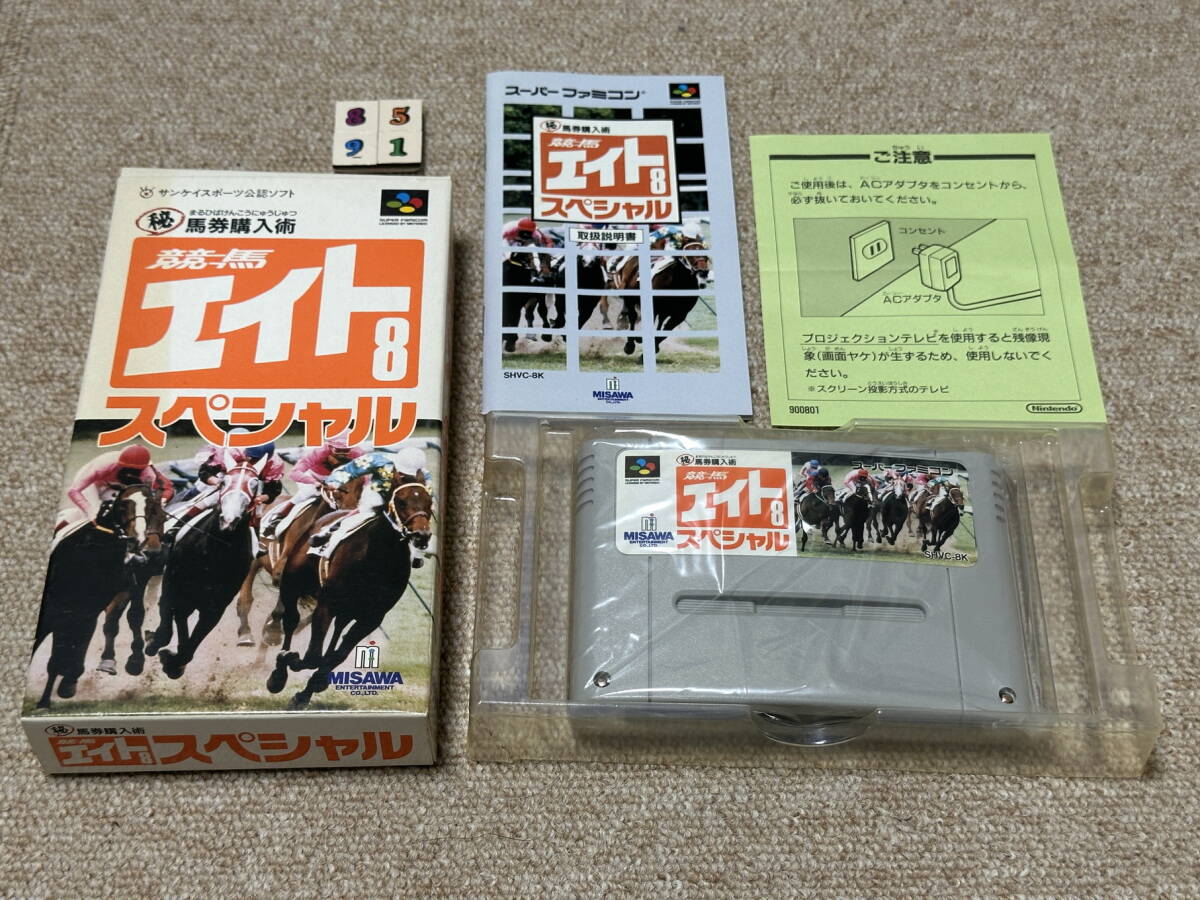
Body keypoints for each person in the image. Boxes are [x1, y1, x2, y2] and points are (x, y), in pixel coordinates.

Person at [308, 446, 429, 559]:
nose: (405, 476)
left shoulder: (424, 475)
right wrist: (334, 482)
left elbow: (426, 499)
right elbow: (350, 470)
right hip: (378, 494)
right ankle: (329, 536)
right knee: (364, 514)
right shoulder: (378, 459)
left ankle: (417, 553)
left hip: (403, 503)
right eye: (402, 473)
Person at [259, 434, 363, 540]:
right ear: (330, 446)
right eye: (338, 450)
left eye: (346, 450)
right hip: (313, 477)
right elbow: (293, 473)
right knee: (308, 493)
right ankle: (278, 517)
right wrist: (314, 482)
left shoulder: (357, 453)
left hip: (340, 478)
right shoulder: (318, 452)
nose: (342, 455)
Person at [57, 444, 174, 531]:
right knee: (94, 514)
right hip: (92, 484)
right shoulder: (103, 465)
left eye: (135, 471)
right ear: (119, 463)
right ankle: (60, 530)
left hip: (116, 485)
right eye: (126, 468)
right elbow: (73, 490)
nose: (129, 473)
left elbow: (147, 499)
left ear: (144, 468)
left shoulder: (148, 475)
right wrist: (90, 511)